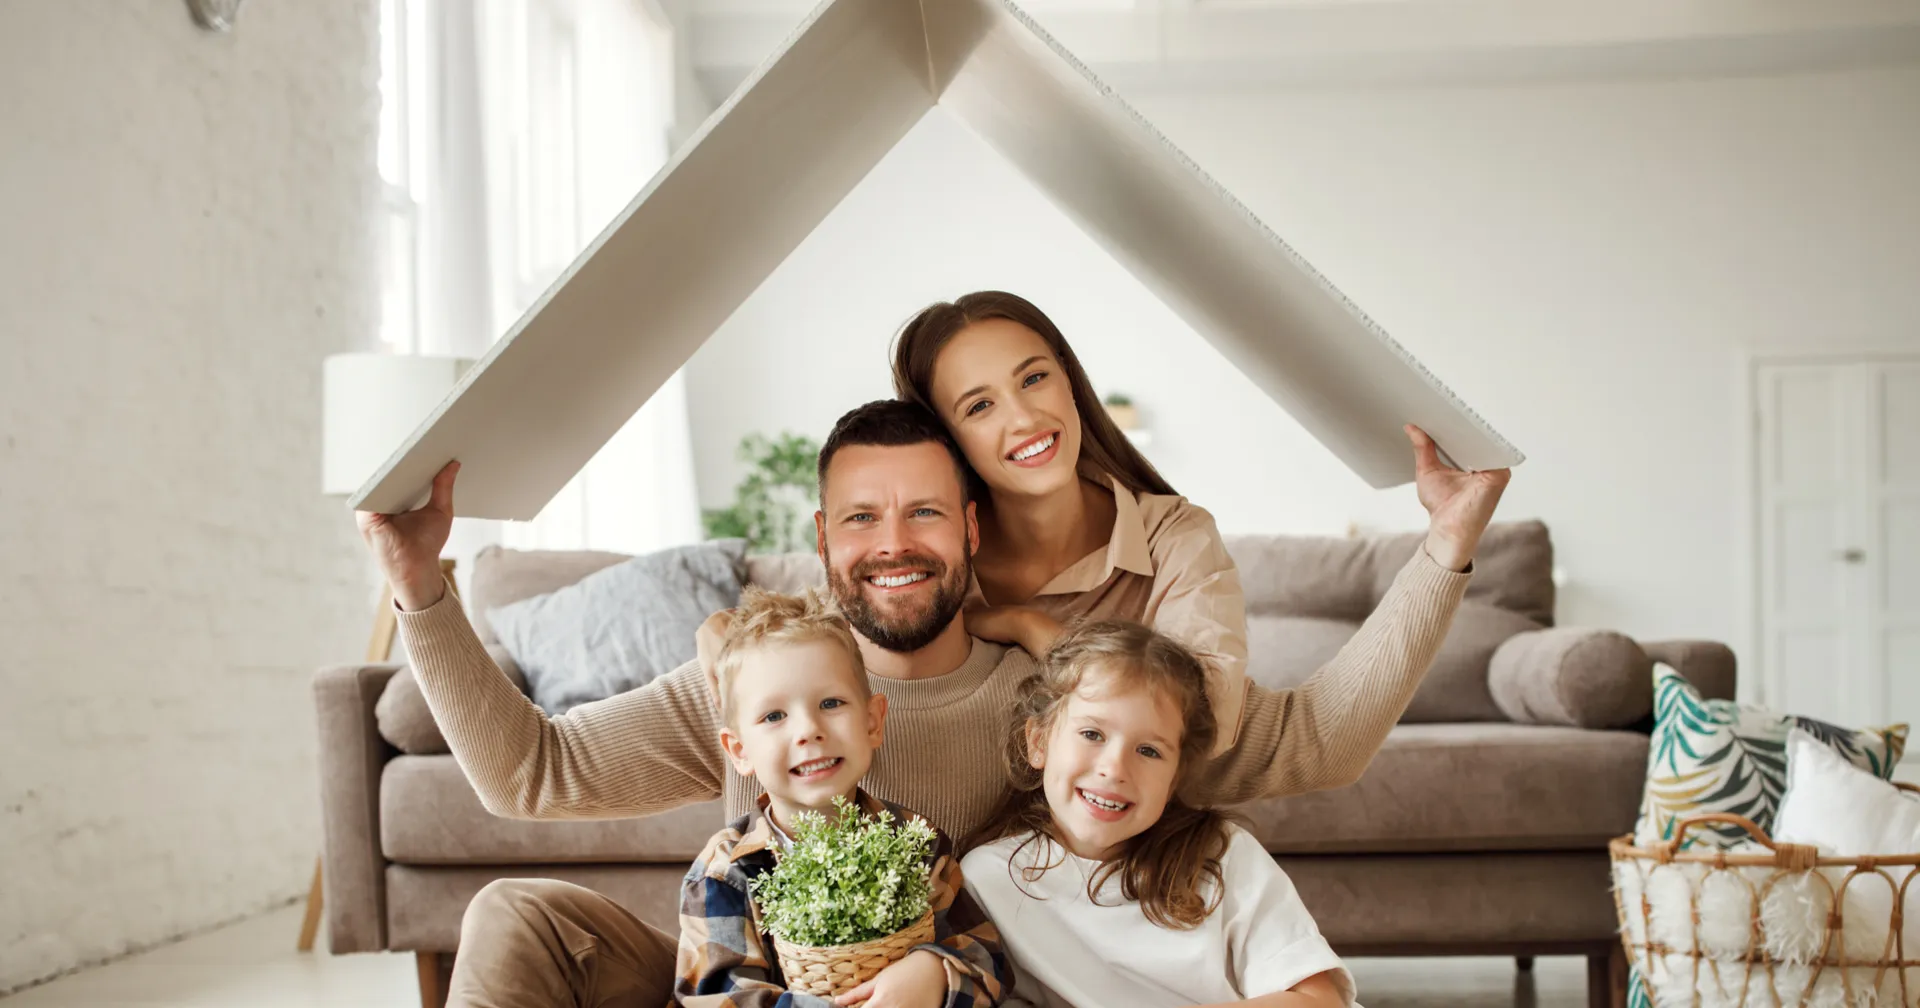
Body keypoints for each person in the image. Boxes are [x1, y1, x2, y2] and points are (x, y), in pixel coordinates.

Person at [355, 398, 1503, 1007]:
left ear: (969, 529)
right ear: (821, 538)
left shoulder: (1053, 717)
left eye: (921, 515)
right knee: (519, 918)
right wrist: (420, 587)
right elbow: (528, 775)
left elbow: (1317, 738)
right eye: (860, 518)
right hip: (746, 986)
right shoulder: (760, 685)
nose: (890, 545)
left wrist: (1448, 540)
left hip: (932, 994)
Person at [889, 290, 1509, 756]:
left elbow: (1205, 732)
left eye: (1034, 377)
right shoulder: (922, 570)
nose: (1024, 418)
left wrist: (1032, 629)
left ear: (1068, 379)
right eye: (980, 405)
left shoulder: (1174, 540)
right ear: (945, 437)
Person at [962, 620, 1352, 1008]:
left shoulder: (1222, 855)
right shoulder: (990, 878)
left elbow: (1320, 999)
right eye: (1092, 734)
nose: (1114, 769)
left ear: (1174, 778)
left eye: (1149, 751)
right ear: (1039, 741)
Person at [675, 587, 1007, 1008]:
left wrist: (934, 971)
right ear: (740, 750)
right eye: (774, 716)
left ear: (872, 722)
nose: (808, 730)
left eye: (831, 703)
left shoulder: (916, 843)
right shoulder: (726, 872)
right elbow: (720, 998)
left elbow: (987, 957)